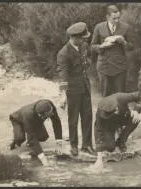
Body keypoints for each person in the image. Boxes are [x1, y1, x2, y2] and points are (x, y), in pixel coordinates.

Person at [57, 22, 96, 156]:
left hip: (85, 86)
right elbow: (63, 75)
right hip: (72, 90)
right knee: (73, 119)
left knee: (87, 116)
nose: (85, 40)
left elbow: (88, 58)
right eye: (82, 38)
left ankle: (87, 145)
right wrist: (62, 95)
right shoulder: (64, 53)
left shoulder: (84, 46)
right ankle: (74, 145)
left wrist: (88, 65)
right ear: (74, 38)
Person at [91, 91, 141, 169]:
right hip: (109, 125)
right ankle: (115, 134)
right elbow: (98, 131)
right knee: (110, 148)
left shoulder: (120, 97)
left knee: (136, 119)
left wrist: (136, 110)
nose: (116, 111)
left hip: (123, 117)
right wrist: (99, 159)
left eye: (116, 110)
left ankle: (121, 141)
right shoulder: (100, 113)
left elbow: (140, 95)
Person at [91, 4, 134, 97]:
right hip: (104, 67)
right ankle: (106, 112)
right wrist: (102, 46)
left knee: (120, 96)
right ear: (107, 17)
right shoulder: (99, 27)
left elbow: (131, 47)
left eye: (118, 18)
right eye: (114, 18)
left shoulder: (125, 27)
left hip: (120, 67)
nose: (117, 21)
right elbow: (92, 46)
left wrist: (124, 42)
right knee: (106, 95)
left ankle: (121, 112)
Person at [9, 99, 63, 166]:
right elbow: (32, 138)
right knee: (20, 138)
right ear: (41, 115)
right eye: (49, 114)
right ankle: (17, 136)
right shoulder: (28, 115)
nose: (52, 114)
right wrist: (43, 159)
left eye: (51, 111)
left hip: (34, 121)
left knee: (43, 137)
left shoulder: (49, 104)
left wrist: (59, 144)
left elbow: (56, 122)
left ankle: (28, 134)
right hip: (18, 120)